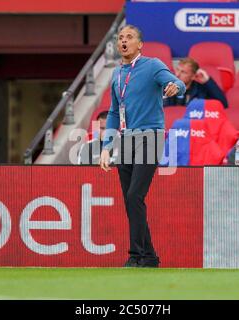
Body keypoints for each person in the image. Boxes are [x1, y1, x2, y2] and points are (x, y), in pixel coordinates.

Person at [99, 25, 185, 268]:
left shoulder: (153, 65)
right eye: (120, 38)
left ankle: (135, 255)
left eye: (129, 37)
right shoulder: (116, 74)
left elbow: (178, 82)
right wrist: (107, 146)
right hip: (126, 138)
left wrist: (176, 86)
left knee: (135, 195)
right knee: (130, 199)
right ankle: (150, 257)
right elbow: (115, 112)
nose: (123, 41)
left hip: (150, 136)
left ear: (140, 44)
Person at [163, 57, 228, 108]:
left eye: (183, 72)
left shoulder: (201, 91)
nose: (177, 74)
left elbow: (223, 104)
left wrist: (207, 81)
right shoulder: (166, 86)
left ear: (193, 76)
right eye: (177, 69)